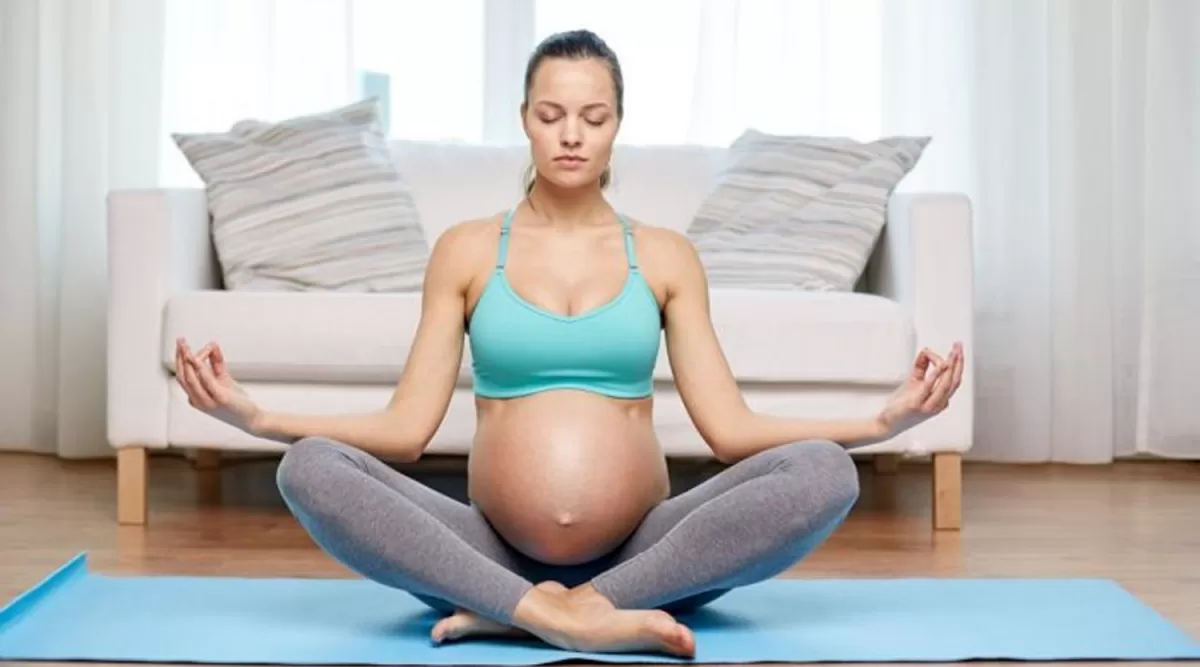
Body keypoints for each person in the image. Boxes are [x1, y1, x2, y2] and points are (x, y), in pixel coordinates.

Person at [173, 29, 965, 659]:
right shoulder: (468, 249)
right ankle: (543, 608)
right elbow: (405, 431)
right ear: (525, 119)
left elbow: (731, 431)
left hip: (644, 555)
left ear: (618, 124)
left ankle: (556, 612)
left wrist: (881, 424)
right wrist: (254, 414)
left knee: (825, 471)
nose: (572, 135)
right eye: (551, 115)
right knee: (307, 466)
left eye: (594, 116)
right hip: (484, 549)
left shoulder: (661, 255)